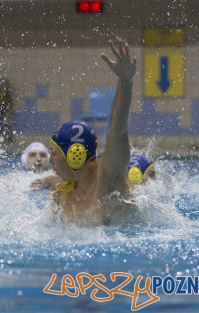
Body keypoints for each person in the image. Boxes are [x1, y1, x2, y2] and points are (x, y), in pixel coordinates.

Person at [48, 38, 137, 226]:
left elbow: (118, 130)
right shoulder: (60, 196)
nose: (49, 160)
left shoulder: (108, 178)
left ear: (75, 154)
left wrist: (125, 81)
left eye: (54, 152)